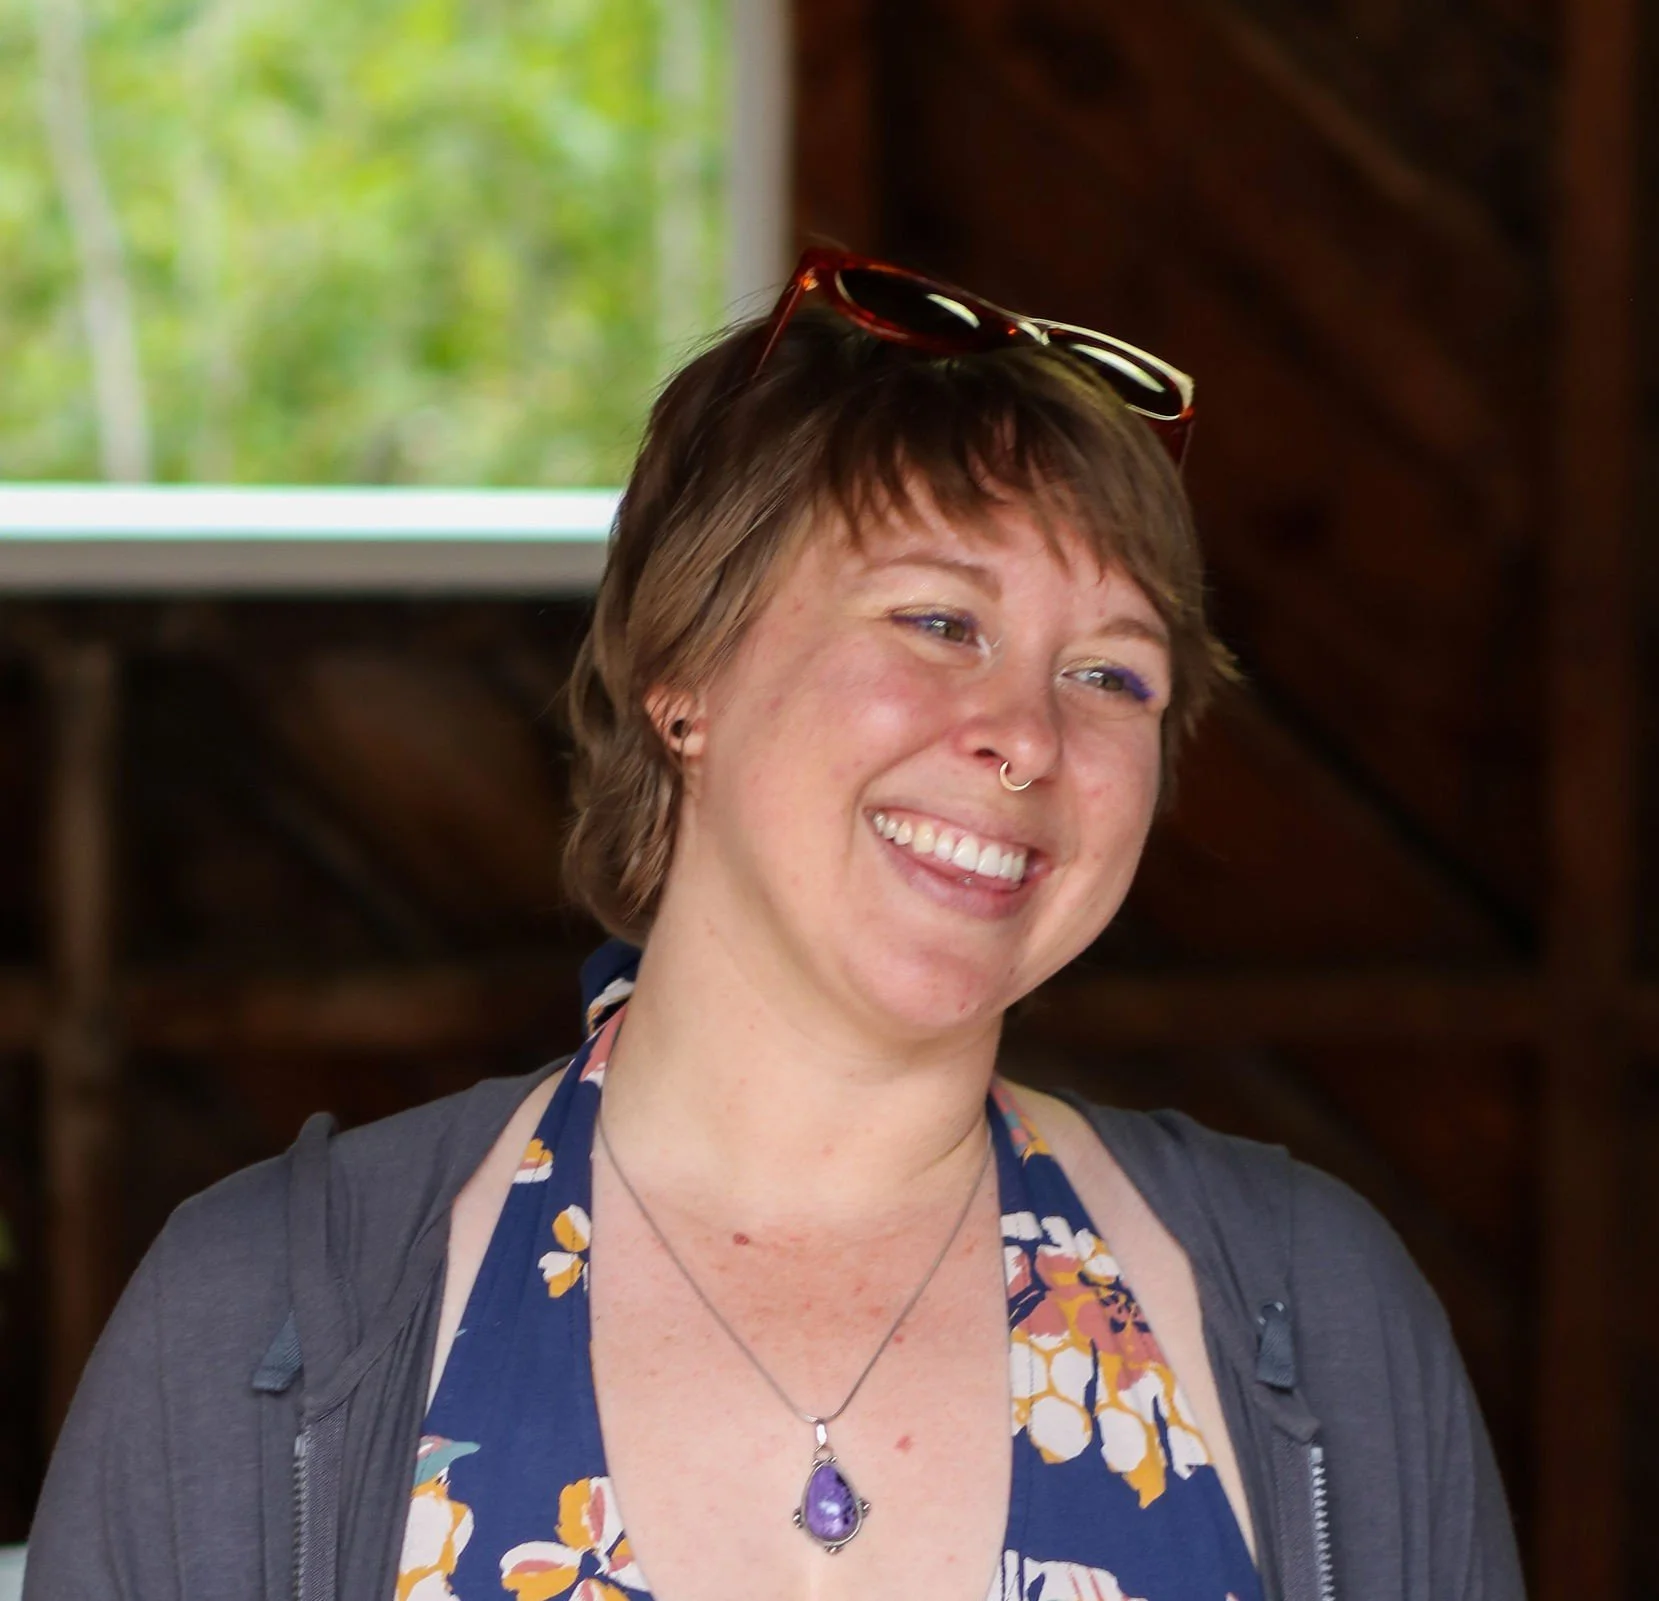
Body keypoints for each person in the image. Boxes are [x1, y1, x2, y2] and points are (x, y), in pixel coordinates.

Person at [25, 249, 1522, 1601]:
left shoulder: (1308, 1318)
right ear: (686, 671)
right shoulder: (262, 1328)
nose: (1026, 736)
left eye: (1111, 676)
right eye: (940, 621)